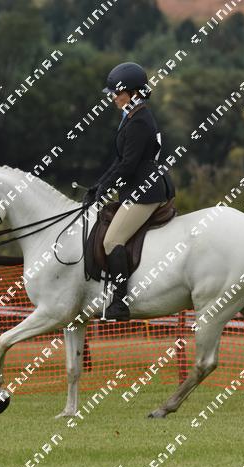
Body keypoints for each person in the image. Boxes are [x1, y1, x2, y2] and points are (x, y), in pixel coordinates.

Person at [84, 61, 176, 322]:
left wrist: (106, 187)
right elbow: (120, 160)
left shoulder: (139, 122)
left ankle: (120, 303)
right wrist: (100, 184)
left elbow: (128, 165)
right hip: (137, 188)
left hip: (145, 192)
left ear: (134, 92)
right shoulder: (133, 116)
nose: (114, 97)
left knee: (112, 240)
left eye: (118, 92)